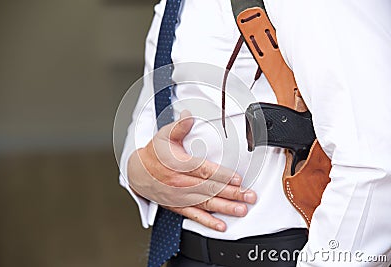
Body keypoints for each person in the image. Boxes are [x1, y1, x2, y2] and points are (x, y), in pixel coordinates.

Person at [119, 0, 391, 266]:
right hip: (184, 251)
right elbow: (152, 106)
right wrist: (137, 170)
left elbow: (374, 158)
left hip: (284, 252)